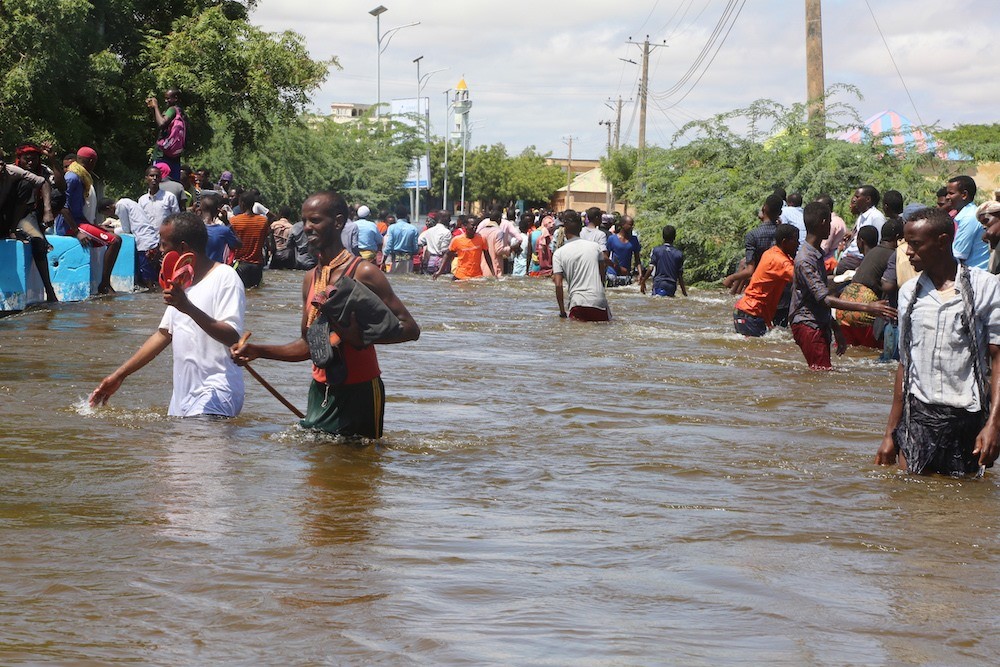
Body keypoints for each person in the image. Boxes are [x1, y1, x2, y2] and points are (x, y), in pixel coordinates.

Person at [231, 191, 420, 438]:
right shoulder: (311, 278)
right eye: (304, 220)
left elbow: (410, 329)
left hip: (359, 391)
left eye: (316, 220)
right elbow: (308, 345)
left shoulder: (363, 272)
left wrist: (358, 336)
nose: (307, 227)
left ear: (338, 222)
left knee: (359, 469)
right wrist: (257, 351)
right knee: (318, 472)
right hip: (320, 389)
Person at [875, 207, 1000, 476]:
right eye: (907, 244)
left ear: (943, 241)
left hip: (966, 416)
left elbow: (997, 357)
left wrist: (994, 424)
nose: (908, 252)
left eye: (916, 244)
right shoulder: (910, 293)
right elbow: (904, 364)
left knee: (962, 506)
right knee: (912, 502)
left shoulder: (985, 287)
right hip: (918, 415)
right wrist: (890, 434)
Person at [89, 211, 246, 417]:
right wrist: (119, 375)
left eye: (163, 244)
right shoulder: (181, 285)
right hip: (182, 398)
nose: (159, 251)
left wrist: (187, 307)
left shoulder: (225, 277)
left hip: (216, 394)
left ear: (182, 248)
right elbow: (164, 335)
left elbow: (233, 337)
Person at [789, 202, 897, 370]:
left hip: (818, 322)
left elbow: (819, 299)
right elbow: (824, 299)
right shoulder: (805, 260)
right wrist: (868, 307)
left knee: (821, 375)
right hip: (808, 324)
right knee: (820, 375)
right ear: (823, 222)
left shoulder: (815, 254)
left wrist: (835, 328)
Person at [54, 147, 122, 294]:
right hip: (69, 225)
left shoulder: (81, 177)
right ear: (91, 162)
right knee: (114, 241)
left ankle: (99, 283)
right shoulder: (72, 178)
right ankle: (104, 284)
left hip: (79, 221)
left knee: (110, 240)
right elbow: (63, 208)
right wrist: (78, 232)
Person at [10, 144, 61, 302]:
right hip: (12, 213)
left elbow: (59, 185)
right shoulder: (12, 170)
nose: (31, 163)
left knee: (59, 196)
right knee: (38, 241)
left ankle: (49, 290)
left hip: (32, 213)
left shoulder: (43, 170)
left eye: (34, 159)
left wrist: (47, 210)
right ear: (20, 160)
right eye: (27, 160)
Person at [732, 224, 799, 336]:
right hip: (752, 313)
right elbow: (803, 279)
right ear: (784, 242)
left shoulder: (771, 252)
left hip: (745, 311)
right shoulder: (780, 262)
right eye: (795, 240)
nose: (798, 244)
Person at [552, 209, 610, 322]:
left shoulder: (559, 253)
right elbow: (602, 276)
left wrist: (562, 312)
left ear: (564, 229)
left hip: (577, 303)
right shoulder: (595, 247)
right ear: (581, 228)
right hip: (598, 301)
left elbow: (558, 285)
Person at [722, 193, 784, 293]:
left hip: (759, 282)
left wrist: (731, 278)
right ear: (780, 212)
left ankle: (733, 292)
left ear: (764, 208)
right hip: (778, 284)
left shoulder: (752, 235)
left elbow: (750, 270)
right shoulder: (782, 232)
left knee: (744, 263)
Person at [137, 165, 181, 287]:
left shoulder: (169, 197)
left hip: (166, 242)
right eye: (151, 176)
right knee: (148, 279)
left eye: (157, 176)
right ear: (146, 178)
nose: (154, 178)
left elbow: (176, 219)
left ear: (161, 178)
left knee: (166, 276)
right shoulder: (142, 200)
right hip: (148, 243)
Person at [228, 190, 270, 288]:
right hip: (257, 266)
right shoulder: (263, 221)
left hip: (241, 265)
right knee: (256, 293)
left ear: (241, 203)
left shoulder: (234, 221)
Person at [433, 215, 495, 281]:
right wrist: (439, 271)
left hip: (477, 277)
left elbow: (487, 255)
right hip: (460, 277)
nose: (475, 227)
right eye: (472, 225)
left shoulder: (482, 238)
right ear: (465, 226)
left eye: (476, 225)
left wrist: (493, 273)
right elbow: (447, 255)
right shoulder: (457, 240)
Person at [948, 174, 989, 270]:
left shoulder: (969, 217)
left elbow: (958, 255)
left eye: (951, 193)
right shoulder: (963, 215)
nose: (947, 197)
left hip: (976, 276)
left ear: (964, 195)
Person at [147, 88, 187, 182]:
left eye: (168, 98)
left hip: (163, 154)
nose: (166, 101)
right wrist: (153, 110)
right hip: (175, 155)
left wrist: (156, 106)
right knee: (174, 183)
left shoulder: (172, 110)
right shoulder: (182, 113)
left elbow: (161, 123)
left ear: (175, 98)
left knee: (157, 181)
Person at [640, 225, 688, 297]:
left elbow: (650, 268)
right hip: (672, 286)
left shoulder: (656, 250)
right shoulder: (679, 254)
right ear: (674, 237)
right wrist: (684, 293)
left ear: (662, 236)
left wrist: (643, 282)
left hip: (659, 283)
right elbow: (680, 276)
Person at [841, 185, 886, 262]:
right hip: (849, 257)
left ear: (868, 199)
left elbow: (879, 243)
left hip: (860, 260)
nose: (854, 200)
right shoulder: (862, 216)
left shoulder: (876, 217)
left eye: (857, 197)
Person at [198, 193, 241, 265]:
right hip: (215, 270)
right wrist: (227, 223)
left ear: (199, 210)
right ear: (217, 212)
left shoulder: (193, 229)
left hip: (197, 271)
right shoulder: (223, 231)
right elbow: (238, 244)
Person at [606, 215, 642, 286]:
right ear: (622, 225)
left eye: (632, 225)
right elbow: (606, 258)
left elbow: (637, 259)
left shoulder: (634, 240)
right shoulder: (612, 239)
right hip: (612, 274)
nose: (632, 227)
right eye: (630, 225)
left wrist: (640, 274)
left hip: (626, 275)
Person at [382, 205, 419, 273]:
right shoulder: (413, 229)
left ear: (396, 215)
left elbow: (389, 246)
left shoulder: (391, 228)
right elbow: (415, 248)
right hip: (408, 259)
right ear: (406, 215)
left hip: (395, 259)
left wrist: (383, 261)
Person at [419, 210, 453, 276]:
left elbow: (419, 241)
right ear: (442, 218)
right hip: (440, 263)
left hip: (429, 261)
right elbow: (444, 251)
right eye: (448, 218)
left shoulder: (428, 231)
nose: (450, 220)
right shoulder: (446, 232)